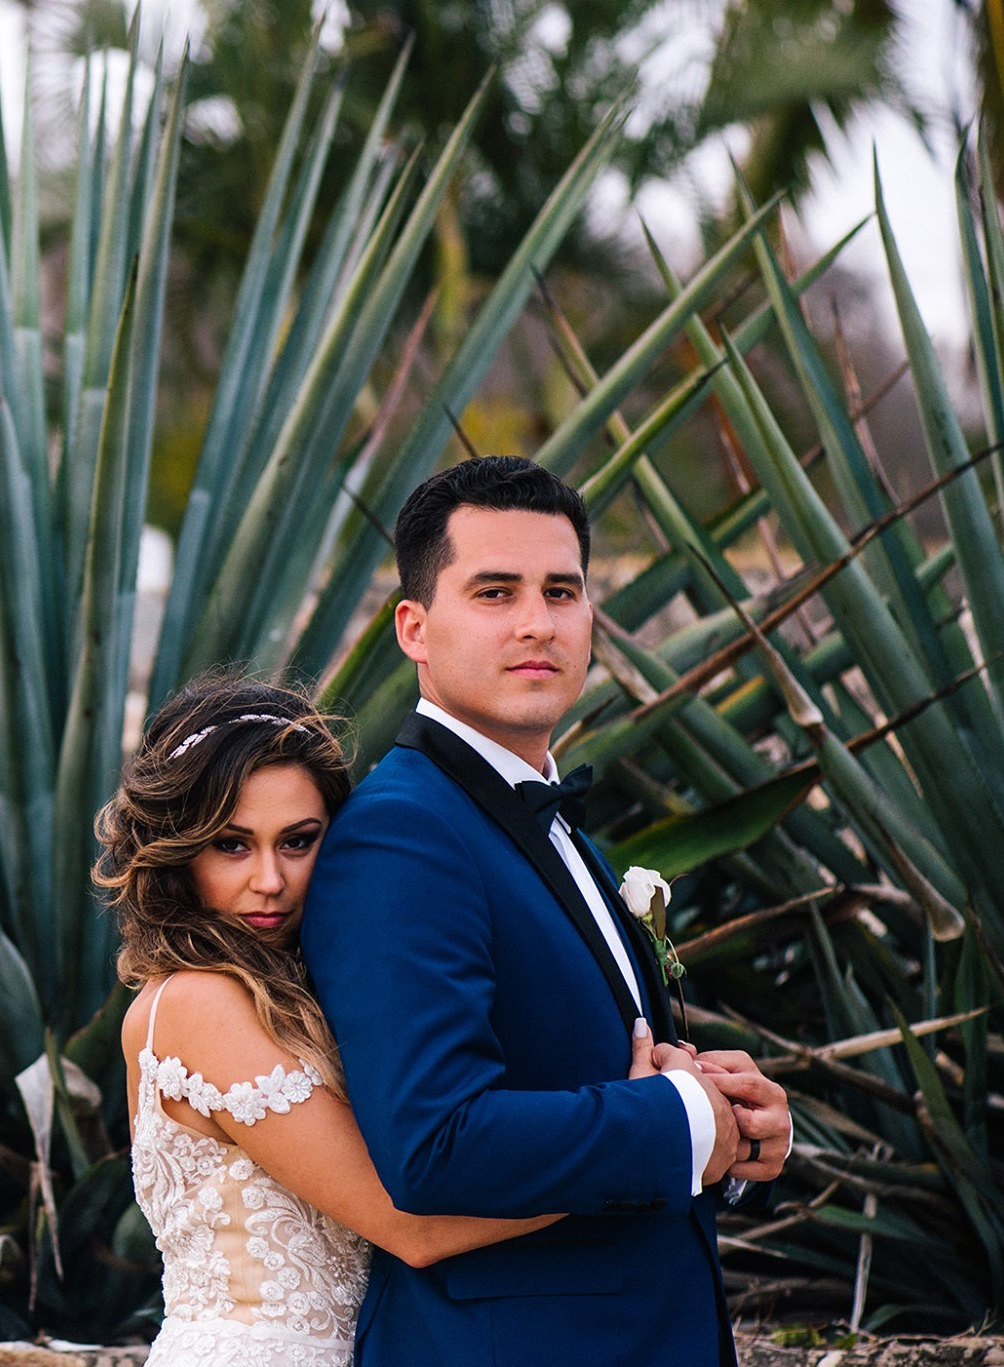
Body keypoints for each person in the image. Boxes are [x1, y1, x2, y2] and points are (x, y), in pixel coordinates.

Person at [302, 456, 792, 1366]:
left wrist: (727, 1126)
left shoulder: (549, 821)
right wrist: (680, 1123)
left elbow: (592, 1077)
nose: (537, 622)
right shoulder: (401, 837)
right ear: (414, 625)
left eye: (561, 591)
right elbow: (434, 1144)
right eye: (494, 591)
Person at [98, 675, 671, 1367]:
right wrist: (650, 1135)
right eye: (232, 844)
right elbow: (412, 1223)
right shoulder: (197, 1003)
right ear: (179, 850)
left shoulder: (302, 991)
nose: (271, 879)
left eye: (298, 840)